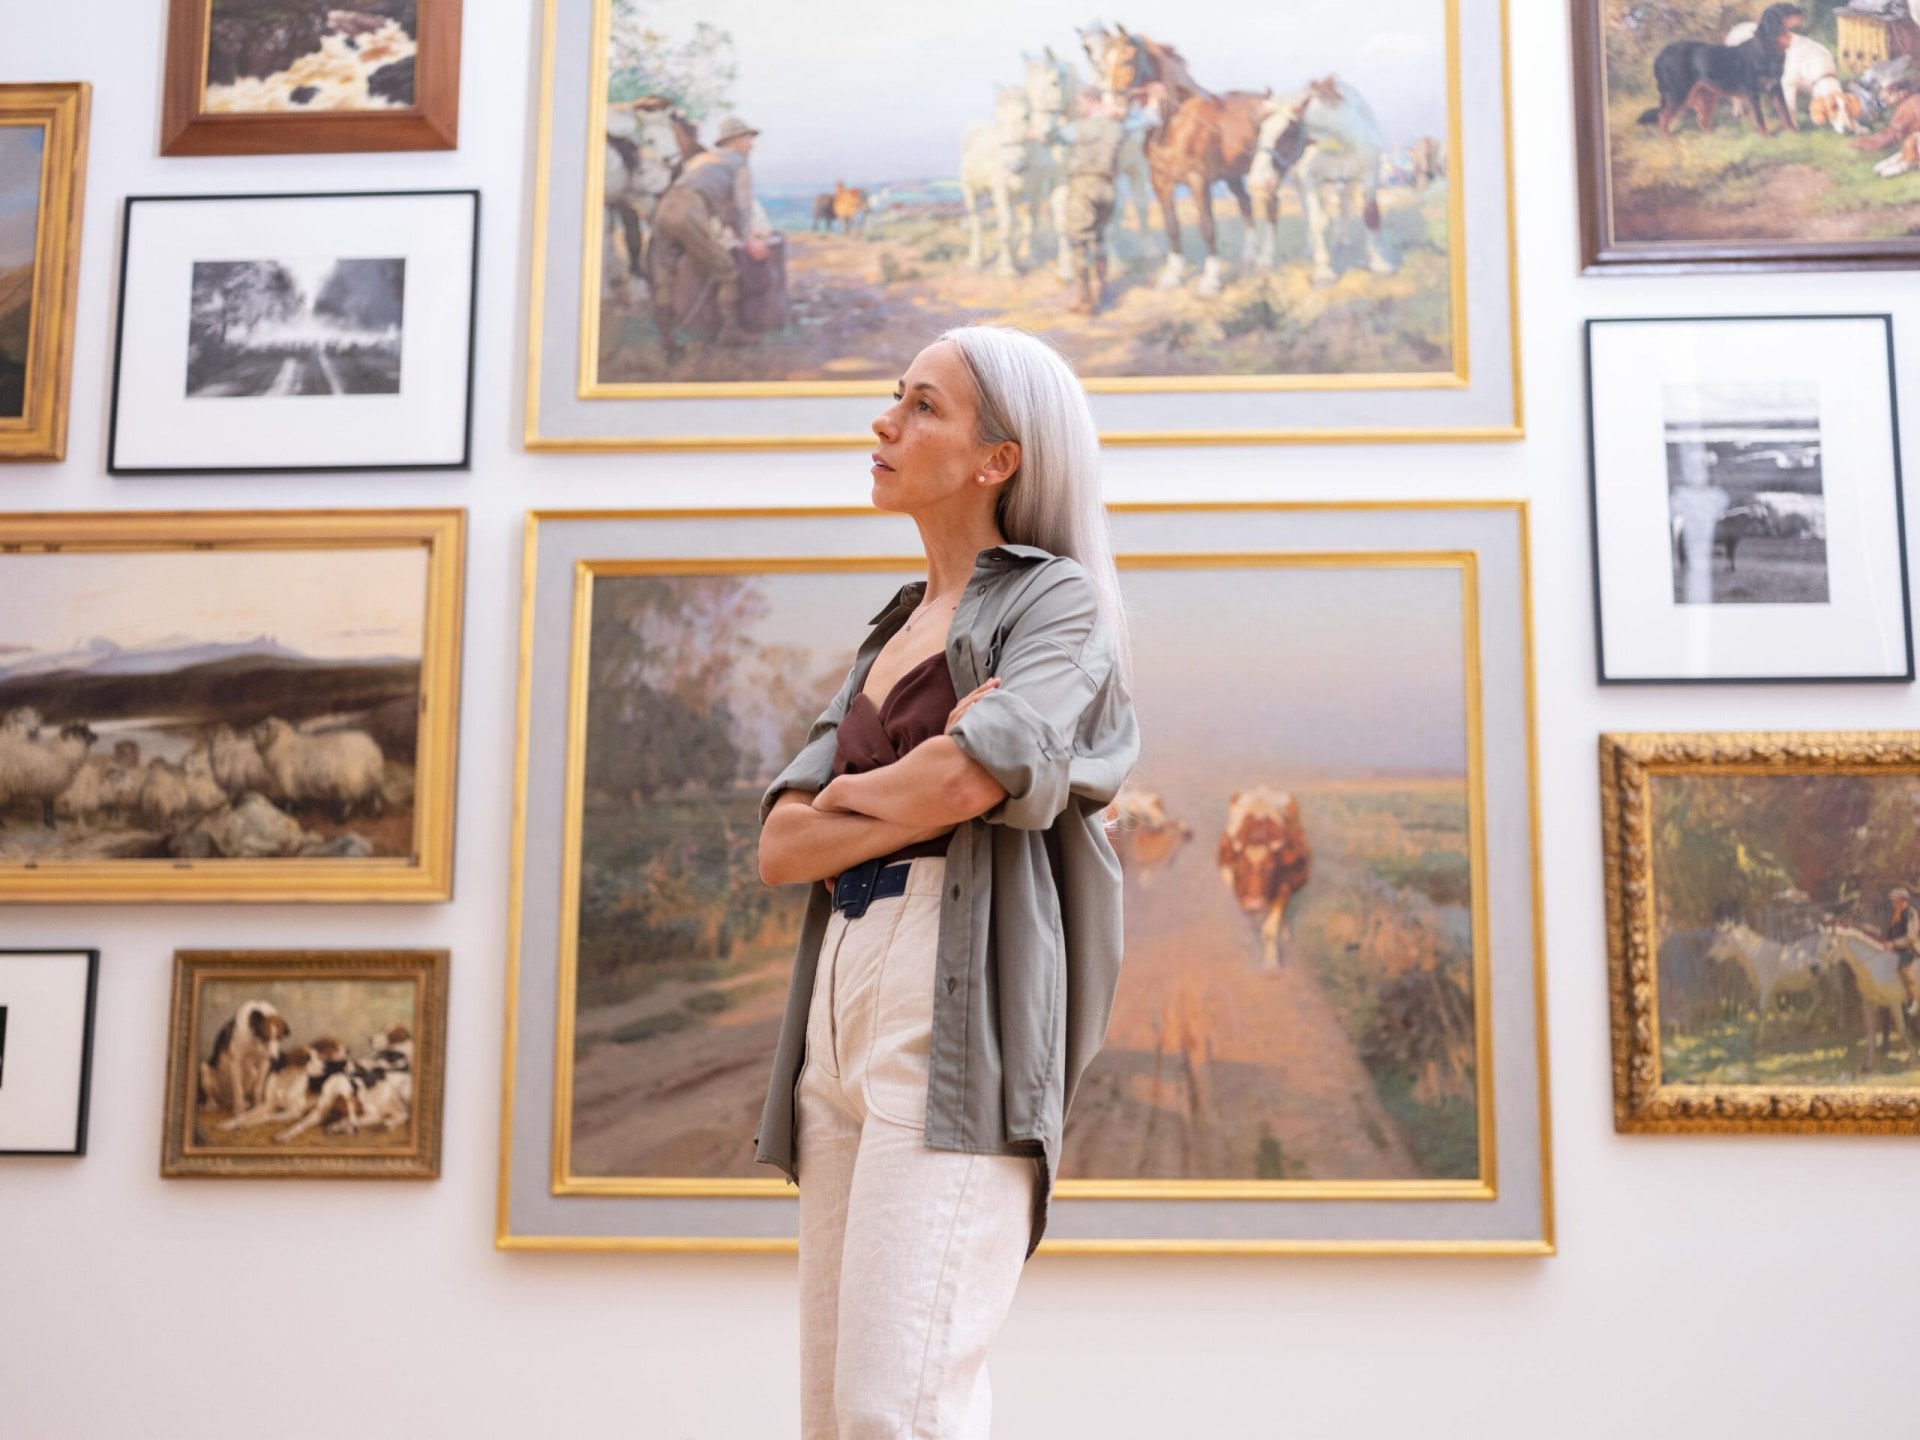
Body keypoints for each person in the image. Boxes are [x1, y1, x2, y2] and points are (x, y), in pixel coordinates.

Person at [754, 324, 1139, 1438]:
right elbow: (780, 848)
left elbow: (972, 785)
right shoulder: (893, 624)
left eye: (922, 405)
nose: (884, 423)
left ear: (997, 460)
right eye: (894, 398)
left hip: (951, 989)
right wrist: (912, 778)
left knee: (898, 1407)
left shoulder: (1058, 602)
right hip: (841, 994)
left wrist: (860, 794)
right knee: (835, 1416)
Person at [648, 114, 772, 357]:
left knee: (665, 277)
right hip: (691, 209)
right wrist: (749, 238)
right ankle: (730, 331)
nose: (752, 145)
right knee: (727, 271)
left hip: (665, 208)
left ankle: (667, 342)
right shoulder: (738, 163)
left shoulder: (699, 160)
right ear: (736, 141)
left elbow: (713, 199)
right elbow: (743, 206)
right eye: (748, 139)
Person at [1059, 86, 1127, 315]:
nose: (1078, 108)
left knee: (1079, 243)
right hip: (1107, 187)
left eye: (1080, 103)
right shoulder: (1117, 125)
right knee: (1099, 241)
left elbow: (1053, 135)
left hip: (1083, 186)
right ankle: (1103, 294)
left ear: (1090, 102)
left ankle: (1087, 300)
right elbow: (1148, 118)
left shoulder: (1078, 128)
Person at [1886, 886, 1920, 1023]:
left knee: (1905, 970)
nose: (1893, 903)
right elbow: (1890, 935)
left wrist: (1893, 944)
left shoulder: (1910, 913)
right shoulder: (1896, 915)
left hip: (1910, 949)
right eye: (1893, 901)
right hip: (1896, 950)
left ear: (1903, 901)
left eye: (1895, 900)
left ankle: (1914, 1001)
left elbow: (1910, 937)